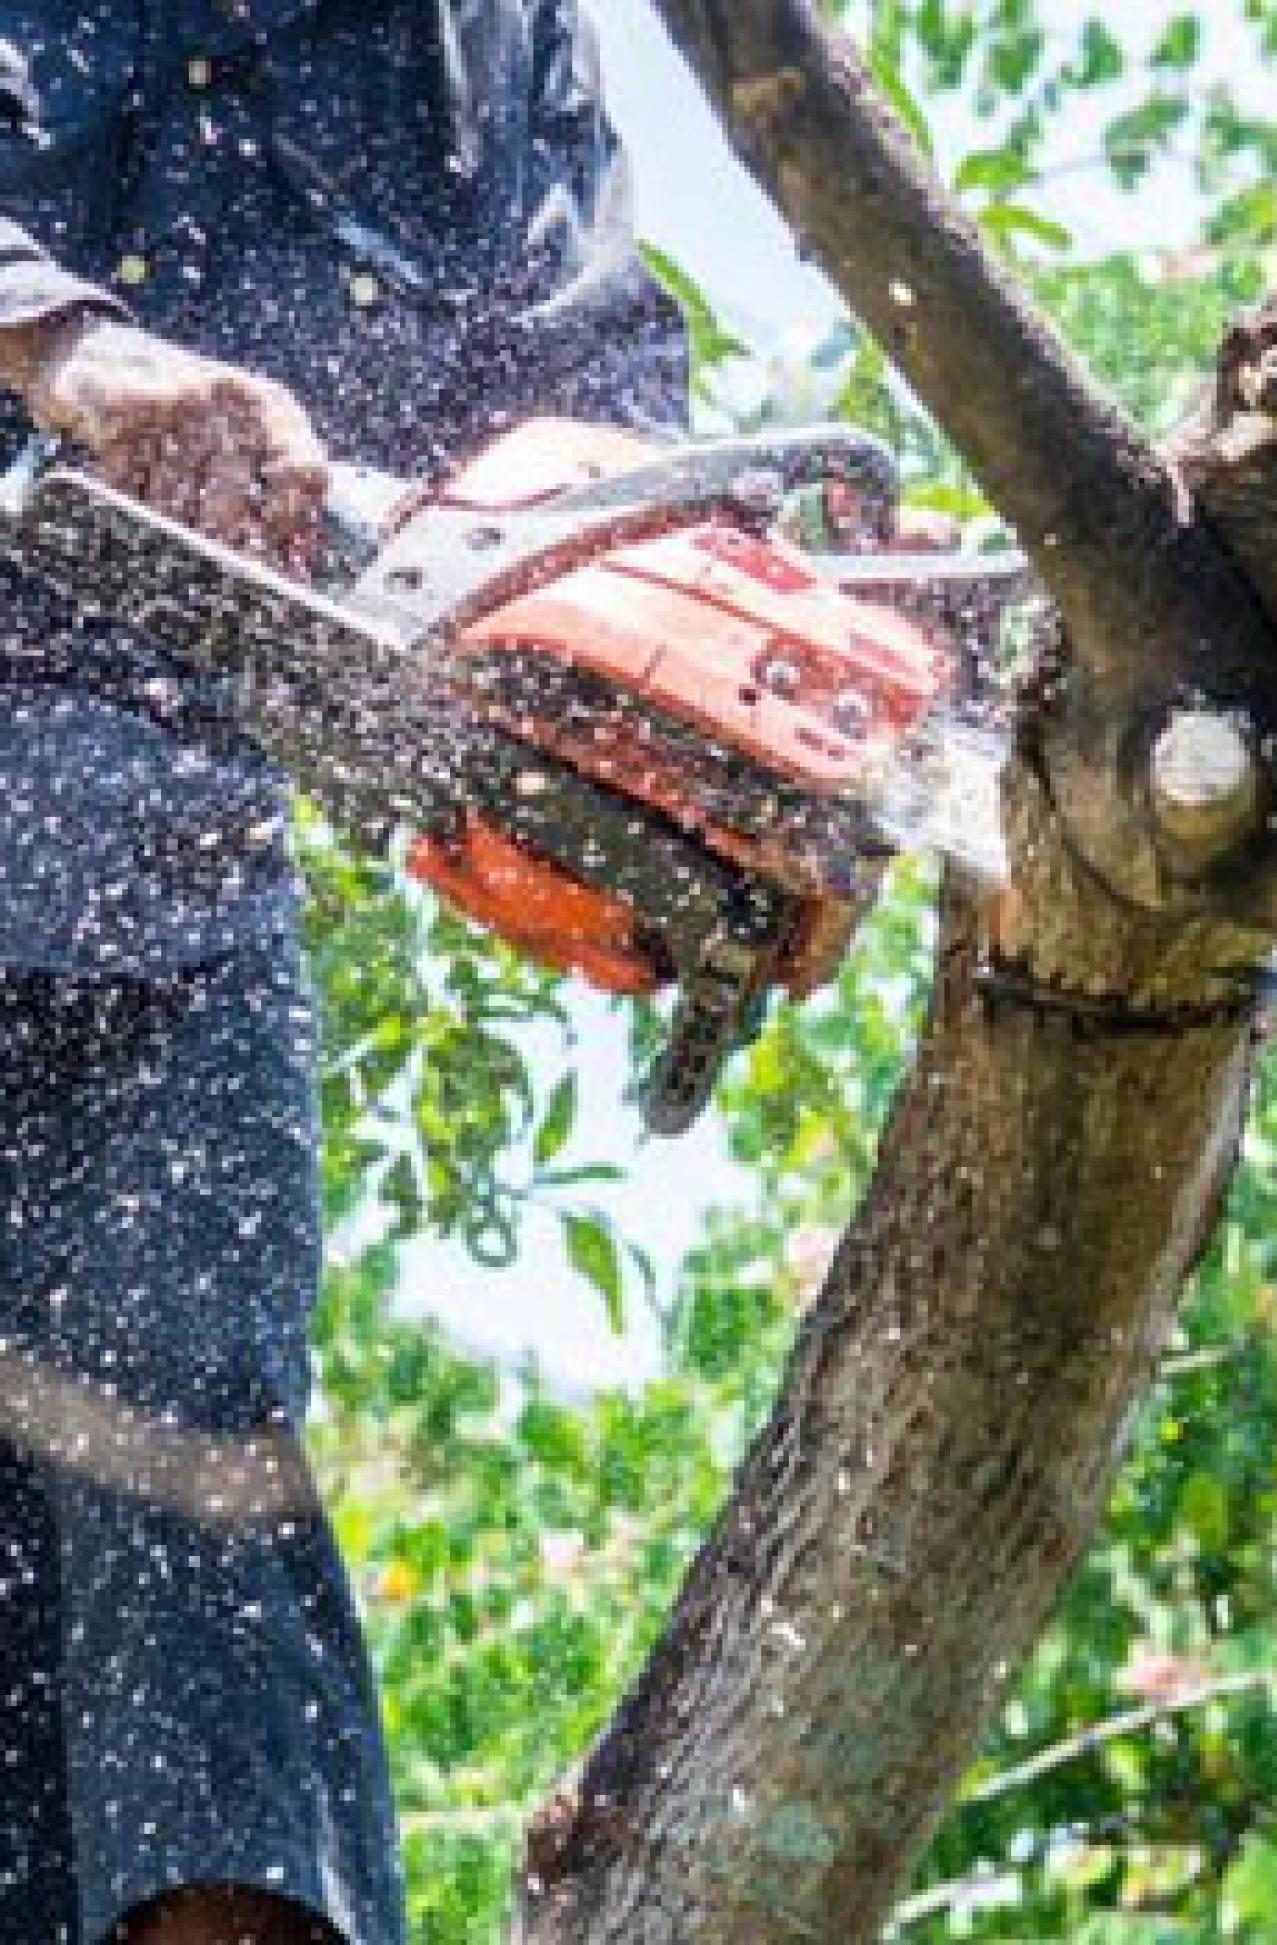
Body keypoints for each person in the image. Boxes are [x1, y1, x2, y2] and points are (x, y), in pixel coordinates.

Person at [0, 4, 688, 1940]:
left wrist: (669, 632)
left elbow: (586, 387)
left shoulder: (478, 43)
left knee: (187, 1449)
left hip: (154, 839)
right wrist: (67, 342)